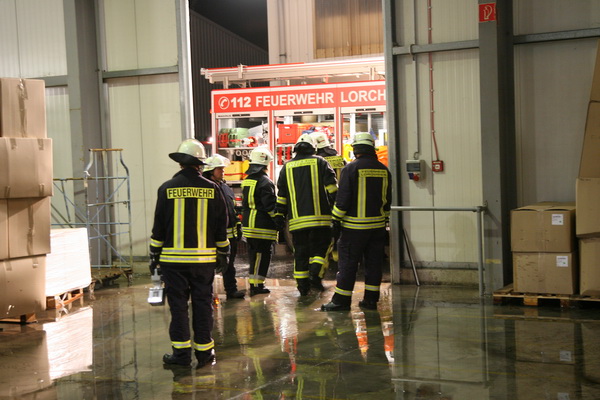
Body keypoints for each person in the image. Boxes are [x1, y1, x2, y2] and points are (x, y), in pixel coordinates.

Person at [149, 138, 230, 368]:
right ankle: (205, 354)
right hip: (203, 261)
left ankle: (181, 355)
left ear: (180, 163)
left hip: (172, 262)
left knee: (178, 307)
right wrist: (223, 252)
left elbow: (159, 227)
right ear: (200, 164)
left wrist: (154, 254)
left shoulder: (166, 188)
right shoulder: (212, 189)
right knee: (203, 305)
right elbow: (220, 225)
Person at [321, 132, 392, 311]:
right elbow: (387, 199)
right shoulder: (383, 170)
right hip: (377, 227)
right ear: (372, 149)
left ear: (355, 149)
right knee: (374, 264)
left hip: (354, 229)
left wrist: (335, 219)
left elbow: (343, 199)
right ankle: (371, 300)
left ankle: (341, 301)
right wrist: (384, 219)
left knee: (348, 264)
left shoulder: (351, 169)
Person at [276, 134, 338, 296]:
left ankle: (303, 287)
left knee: (301, 254)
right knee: (321, 250)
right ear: (313, 148)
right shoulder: (320, 162)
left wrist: (280, 215)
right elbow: (332, 189)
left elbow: (281, 196)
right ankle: (315, 274)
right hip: (321, 220)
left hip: (297, 222)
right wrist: (339, 210)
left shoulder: (286, 167)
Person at [202, 154, 245, 300]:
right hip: (213, 237)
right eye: (219, 169)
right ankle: (206, 294)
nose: (223, 171)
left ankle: (231, 290)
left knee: (229, 265)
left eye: (222, 168)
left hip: (230, 235)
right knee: (209, 266)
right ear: (210, 171)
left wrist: (238, 226)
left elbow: (232, 209)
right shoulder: (207, 189)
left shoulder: (225, 187)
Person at [241, 147, 278, 296]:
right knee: (262, 256)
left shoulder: (247, 181)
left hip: (249, 224)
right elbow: (270, 206)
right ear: (266, 164)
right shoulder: (265, 182)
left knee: (254, 256)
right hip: (262, 226)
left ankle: (256, 283)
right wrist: (278, 219)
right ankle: (256, 285)